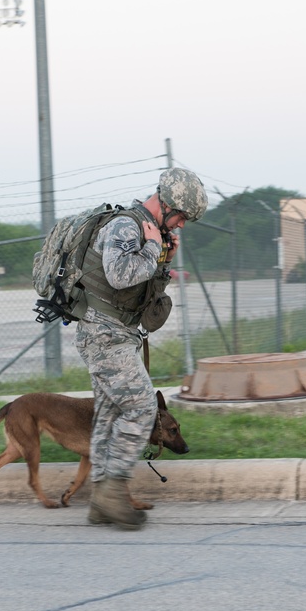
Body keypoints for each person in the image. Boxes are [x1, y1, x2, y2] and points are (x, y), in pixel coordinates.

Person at [75, 167, 208, 530]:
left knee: (108, 416)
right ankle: (113, 493)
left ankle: (101, 501)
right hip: (104, 336)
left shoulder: (150, 232)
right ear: (165, 204)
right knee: (141, 407)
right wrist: (152, 247)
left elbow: (142, 284)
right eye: (180, 216)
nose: (181, 224)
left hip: (117, 334)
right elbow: (120, 275)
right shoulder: (126, 226)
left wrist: (163, 259)